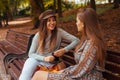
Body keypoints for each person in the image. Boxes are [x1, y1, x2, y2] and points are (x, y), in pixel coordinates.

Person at [31, 8, 106, 80]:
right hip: (81, 75)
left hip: (88, 77)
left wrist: (62, 72)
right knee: (39, 74)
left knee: (38, 75)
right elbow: (81, 67)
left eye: (77, 21)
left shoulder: (93, 44)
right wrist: (64, 70)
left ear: (83, 24)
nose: (76, 23)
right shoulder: (87, 39)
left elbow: (82, 69)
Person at [19, 9, 80, 80]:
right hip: (38, 60)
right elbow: (31, 54)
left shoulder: (59, 32)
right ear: (44, 23)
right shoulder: (38, 35)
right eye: (49, 20)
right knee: (29, 62)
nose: (52, 22)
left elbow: (76, 40)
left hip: (51, 63)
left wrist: (64, 50)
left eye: (53, 20)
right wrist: (44, 58)